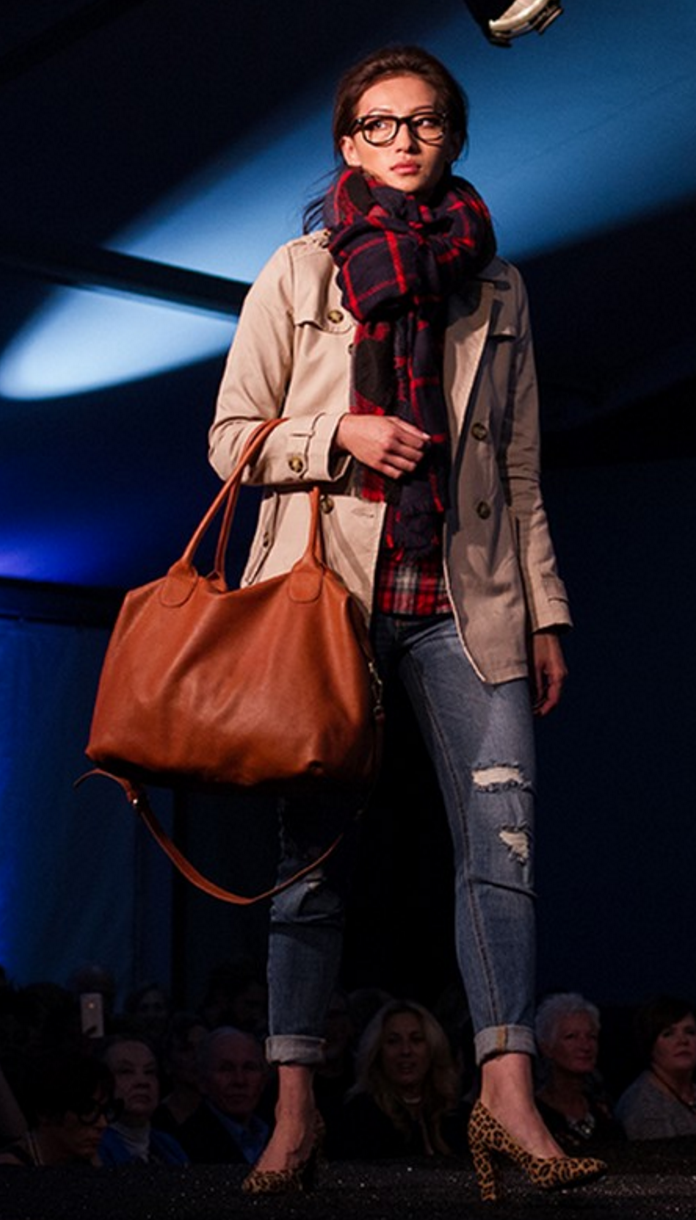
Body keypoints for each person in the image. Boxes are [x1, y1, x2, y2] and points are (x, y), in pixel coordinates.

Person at [208, 43, 606, 1200]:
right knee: (312, 861)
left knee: (504, 844)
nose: (404, 142)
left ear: (453, 137)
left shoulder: (497, 285)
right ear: (348, 142)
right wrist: (339, 435)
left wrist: (548, 613)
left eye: (425, 122)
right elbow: (231, 439)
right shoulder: (300, 270)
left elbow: (520, 469)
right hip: (323, 603)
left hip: (466, 600)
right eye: (380, 124)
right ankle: (294, 1112)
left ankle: (508, 1092)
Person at [329, 999, 462, 1159]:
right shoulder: (360, 1116)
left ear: (433, 1048)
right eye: (393, 1041)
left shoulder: (451, 1112)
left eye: (416, 1039)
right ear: (377, 1051)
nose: (405, 1051)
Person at [534, 993, 623, 1150]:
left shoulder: (604, 1113)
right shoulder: (534, 1116)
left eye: (591, 1037)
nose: (585, 1046)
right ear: (546, 1047)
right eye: (571, 1037)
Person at [0, 1051, 115, 1166]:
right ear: (45, 1113)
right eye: (86, 1110)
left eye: (105, 1110)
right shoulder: (10, 1169)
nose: (103, 1124)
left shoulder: (88, 1160)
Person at [177, 1027, 270, 1164]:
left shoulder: (280, 1132)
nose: (240, 1080)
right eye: (226, 1069)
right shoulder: (184, 1145)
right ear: (202, 1080)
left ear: (264, 1078)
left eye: (249, 1068)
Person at [98, 1035, 188, 1165]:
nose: (142, 1082)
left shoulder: (169, 1145)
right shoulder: (92, 1147)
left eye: (149, 1071)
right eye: (126, 1071)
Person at [616, 996, 696, 1140]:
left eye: (690, 1032)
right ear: (650, 1045)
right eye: (668, 1034)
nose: (683, 1041)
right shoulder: (643, 1107)